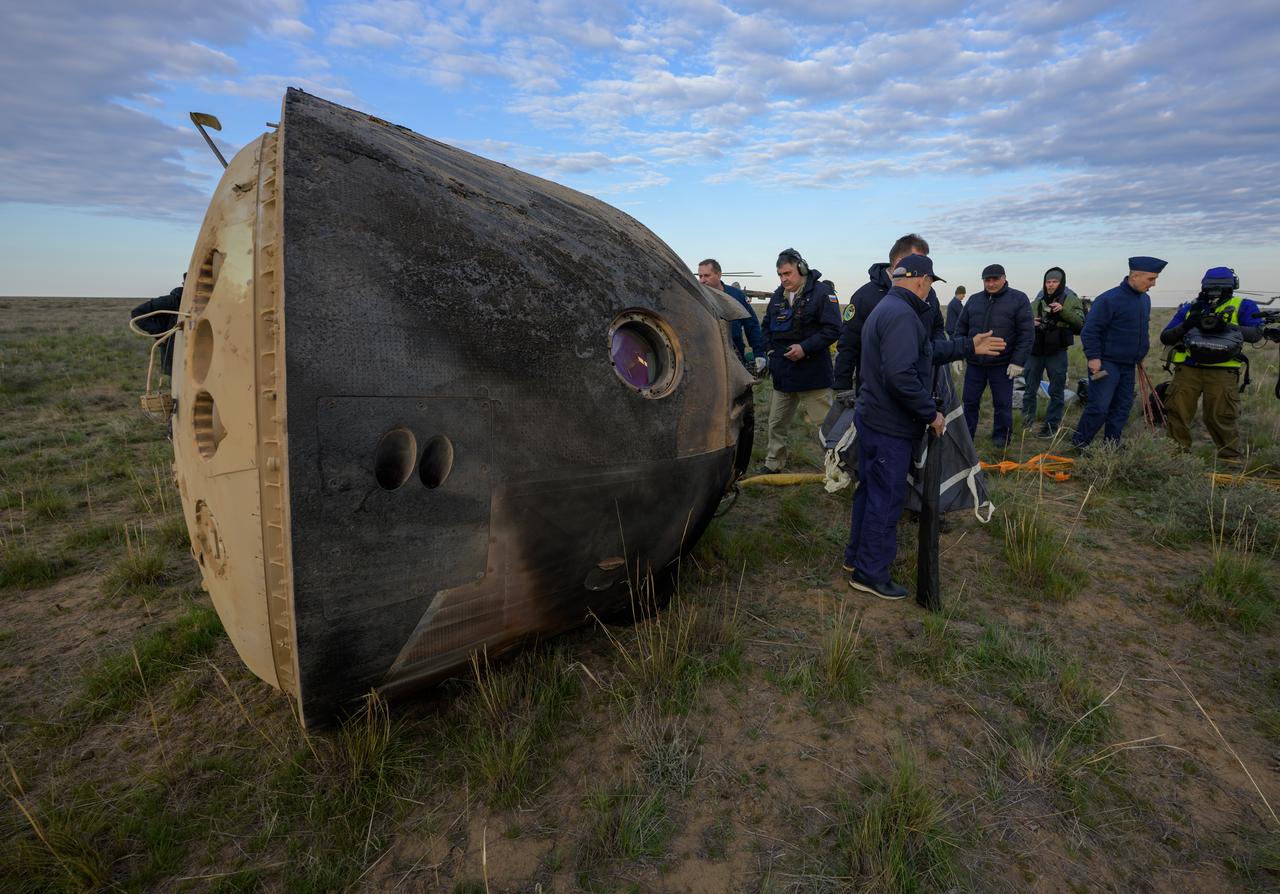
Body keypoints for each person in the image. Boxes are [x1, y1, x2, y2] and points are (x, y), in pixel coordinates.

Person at [844, 255, 947, 600]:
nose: (929, 291)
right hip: (890, 426)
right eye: (930, 284)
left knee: (869, 491)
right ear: (921, 280)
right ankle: (871, 572)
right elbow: (900, 375)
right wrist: (931, 414)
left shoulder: (886, 306)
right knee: (886, 498)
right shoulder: (903, 314)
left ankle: (856, 557)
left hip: (872, 417)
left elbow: (915, 356)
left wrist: (967, 346)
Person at [834, 234, 1001, 393]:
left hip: (923, 383)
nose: (924, 268)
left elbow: (937, 327)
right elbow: (849, 344)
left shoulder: (930, 293)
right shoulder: (866, 296)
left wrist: (938, 355)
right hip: (881, 389)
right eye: (918, 260)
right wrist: (843, 386)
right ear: (899, 262)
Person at [1158, 266, 1263, 459]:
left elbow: (1256, 334)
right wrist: (1188, 324)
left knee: (1221, 416)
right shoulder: (1191, 308)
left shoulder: (1243, 305)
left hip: (1223, 371)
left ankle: (1230, 459)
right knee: (1177, 412)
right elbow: (1166, 337)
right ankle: (1176, 457)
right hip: (1188, 369)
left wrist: (1227, 326)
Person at [758, 248, 841, 473]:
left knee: (826, 426)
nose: (784, 279)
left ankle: (838, 468)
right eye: (780, 274)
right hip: (783, 375)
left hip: (813, 374)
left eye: (788, 273)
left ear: (801, 269)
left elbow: (833, 329)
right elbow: (765, 327)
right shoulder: (778, 296)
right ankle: (773, 463)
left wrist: (804, 348)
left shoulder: (823, 293)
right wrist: (771, 351)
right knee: (776, 424)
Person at [1071, 256, 1167, 450]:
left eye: (1155, 279)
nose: (1153, 284)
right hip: (1105, 363)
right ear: (1135, 276)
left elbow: (1141, 330)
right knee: (1100, 406)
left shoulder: (1145, 300)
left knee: (1122, 407)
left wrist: (1139, 353)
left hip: (1129, 364)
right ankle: (1080, 443)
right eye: (1151, 279)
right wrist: (1093, 358)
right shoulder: (1108, 299)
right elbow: (1090, 331)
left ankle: (1111, 446)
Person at [955, 264, 1033, 447]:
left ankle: (1001, 440)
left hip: (1002, 365)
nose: (990, 284)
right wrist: (958, 354)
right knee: (970, 402)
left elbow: (1026, 333)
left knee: (1002, 404)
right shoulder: (974, 300)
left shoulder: (1019, 299)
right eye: (987, 280)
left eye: (995, 279)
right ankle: (966, 437)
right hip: (975, 363)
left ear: (1004, 278)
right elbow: (961, 328)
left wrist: (1018, 361)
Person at [1022, 267, 1085, 437]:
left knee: (1056, 391)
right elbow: (1023, 321)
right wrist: (1031, 323)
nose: (1050, 285)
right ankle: (1026, 424)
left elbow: (1080, 323)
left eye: (1055, 282)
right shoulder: (1038, 300)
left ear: (1061, 282)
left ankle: (1051, 426)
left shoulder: (1071, 300)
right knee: (1029, 389)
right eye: (1048, 282)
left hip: (1057, 351)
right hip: (1035, 350)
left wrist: (1063, 311)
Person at [698, 258, 767, 375]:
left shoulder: (736, 296)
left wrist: (759, 353)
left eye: (707, 276)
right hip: (708, 357)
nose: (702, 280)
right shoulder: (698, 298)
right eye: (700, 276)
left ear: (718, 275)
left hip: (735, 356)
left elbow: (751, 325)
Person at [130, 276, 185, 376]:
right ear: (184, 284)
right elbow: (137, 313)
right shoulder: (171, 301)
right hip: (174, 356)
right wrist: (159, 333)